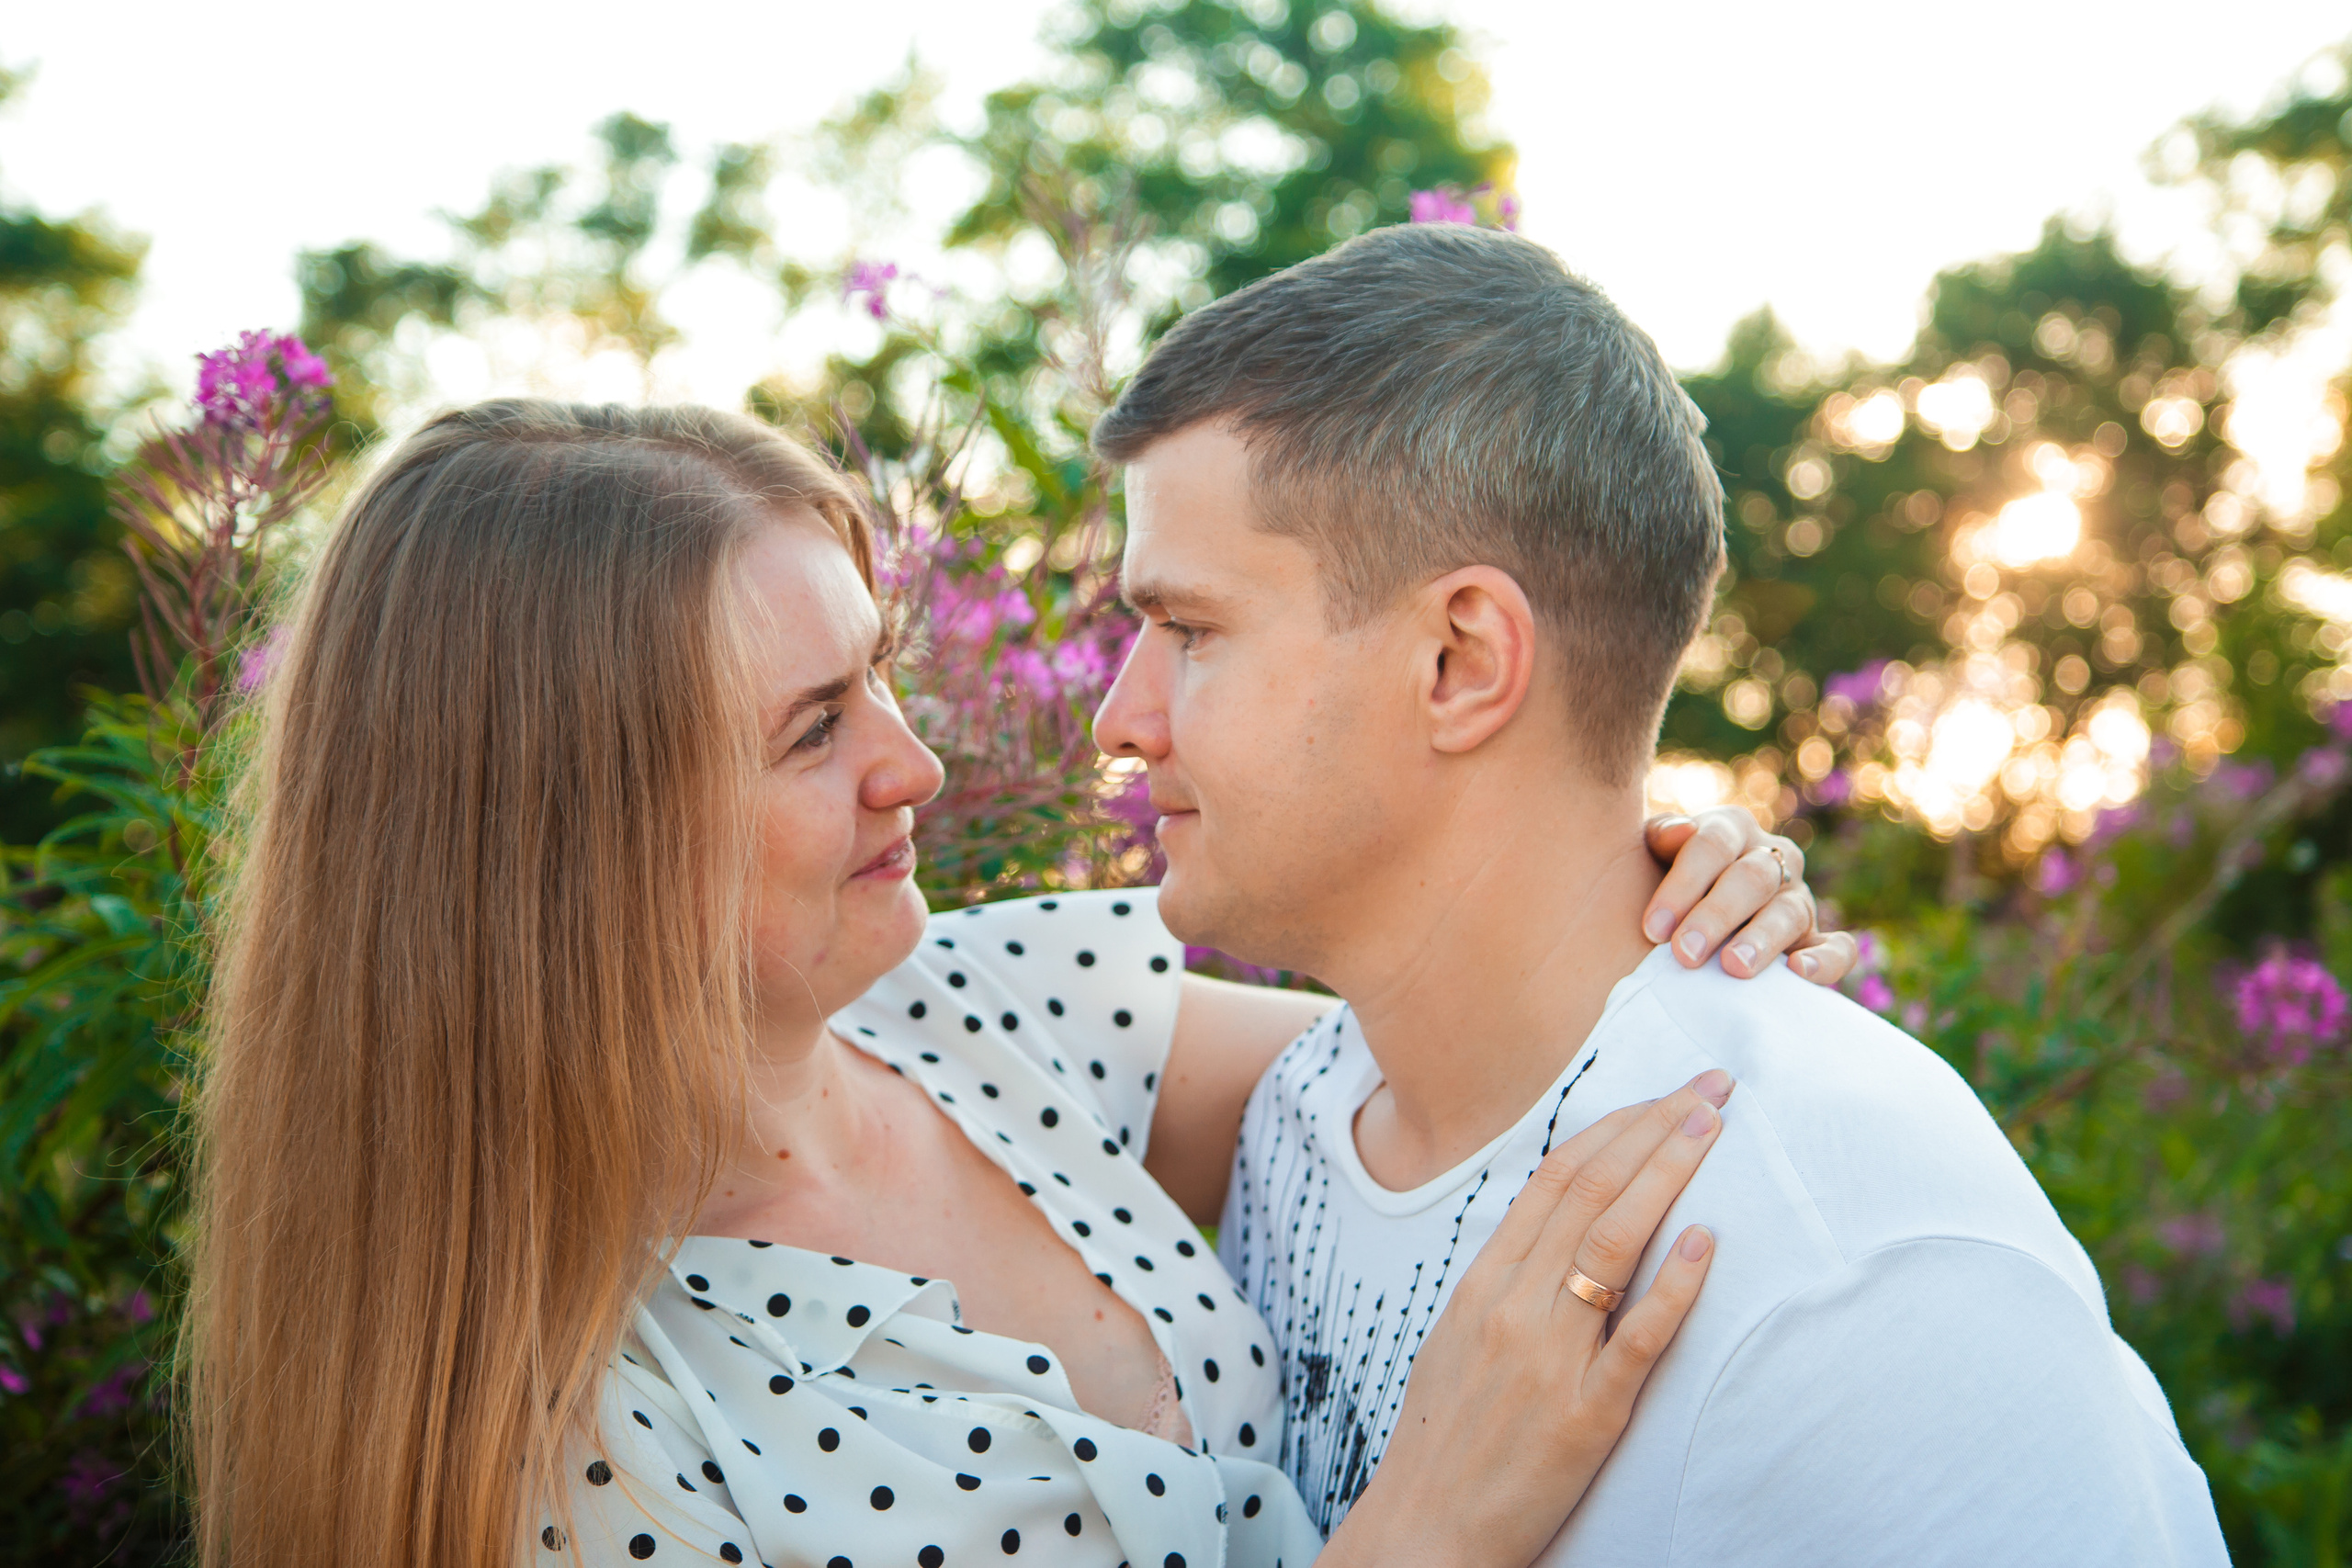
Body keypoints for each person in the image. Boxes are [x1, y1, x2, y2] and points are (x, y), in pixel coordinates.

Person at [181, 401, 1851, 1568]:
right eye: (814, 729)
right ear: (563, 842)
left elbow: (1473, 1043)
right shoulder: (573, 1453)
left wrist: (1677, 900)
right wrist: (1424, 1536)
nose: (915, 767)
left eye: (882, 680)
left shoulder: (987, 1012)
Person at [1089, 221, 2233, 1565]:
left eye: (1189, 632)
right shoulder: (1300, 1127)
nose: (1123, 714)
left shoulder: (1850, 1269)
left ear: (1460, 661)